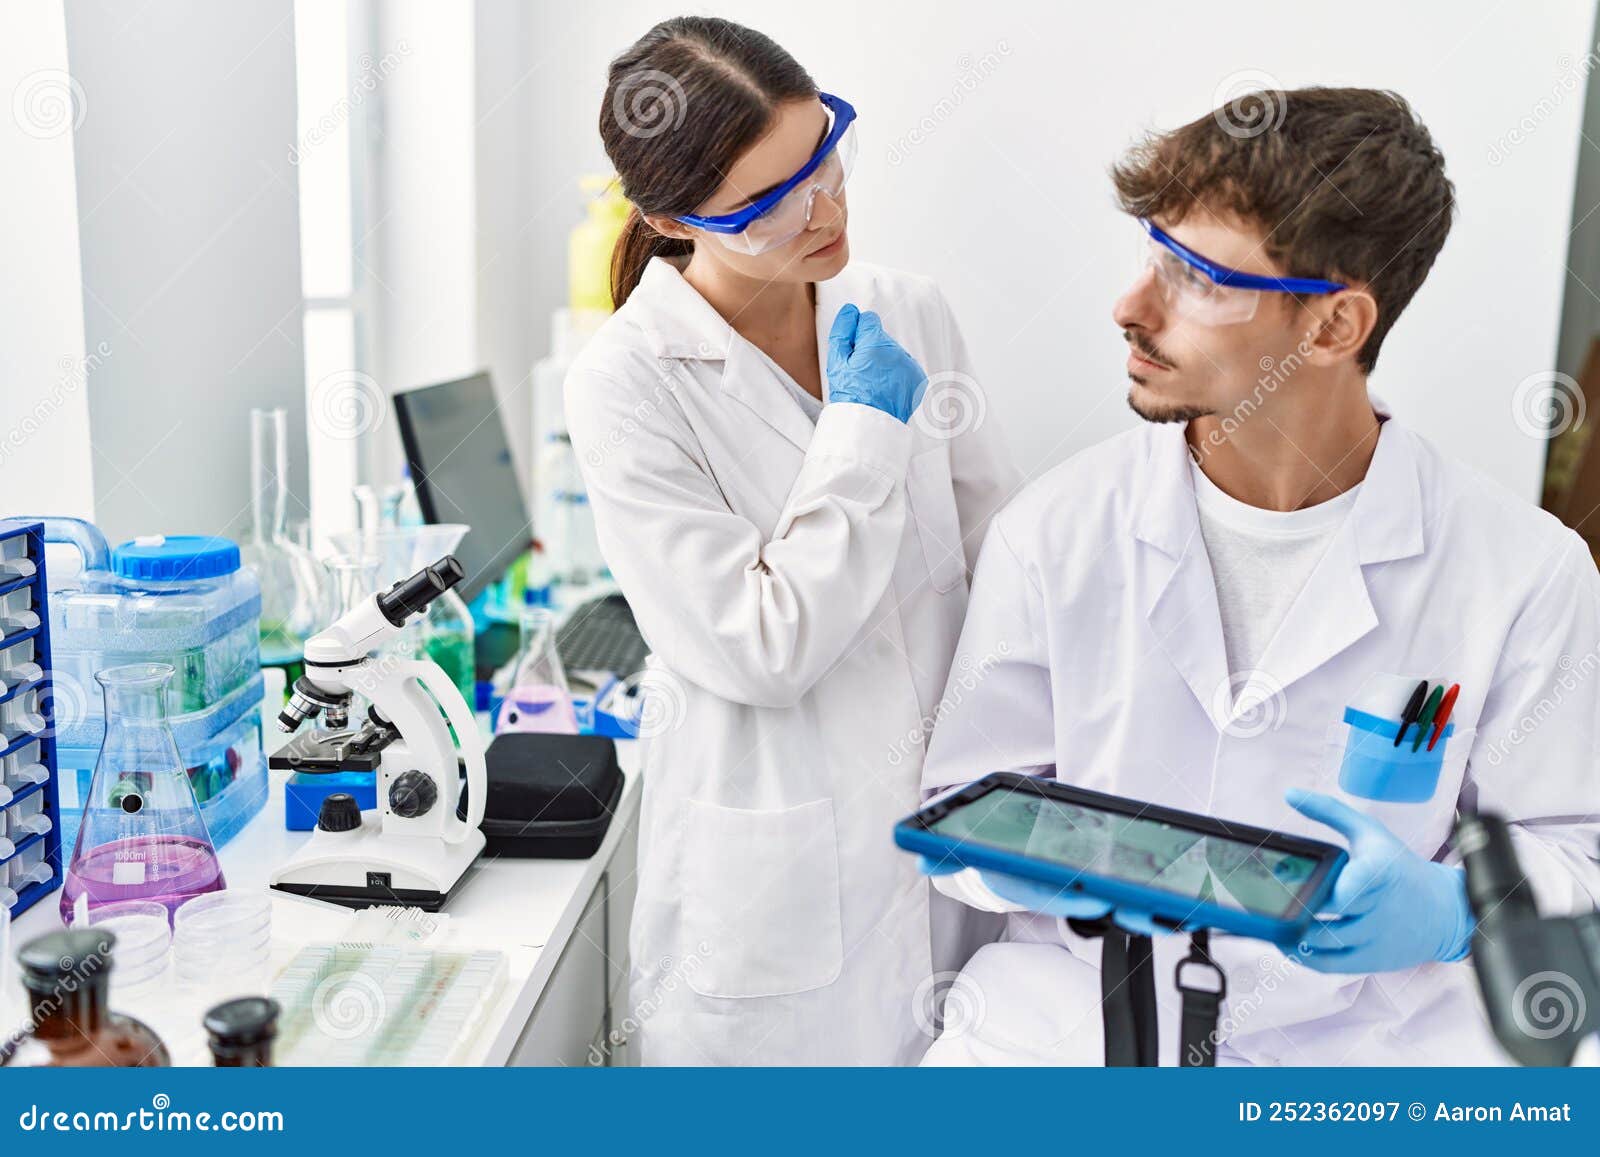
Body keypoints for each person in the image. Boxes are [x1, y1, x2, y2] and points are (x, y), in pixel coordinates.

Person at [917, 87, 1600, 1065]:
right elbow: (965, 801)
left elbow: (1575, 850)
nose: (1130, 307)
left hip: (1370, 1050)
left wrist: (1453, 907)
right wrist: (1029, 860)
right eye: (1153, 253)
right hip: (1062, 1027)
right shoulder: (1055, 532)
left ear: (1332, 328)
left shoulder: (1523, 574)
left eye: (1195, 279)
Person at [564, 16, 1017, 1065]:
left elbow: (997, 547)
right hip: (774, 885)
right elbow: (759, 647)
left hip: (950, 827)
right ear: (672, 219)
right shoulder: (627, 383)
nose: (825, 207)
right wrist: (860, 436)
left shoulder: (906, 309)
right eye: (771, 202)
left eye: (825, 155)